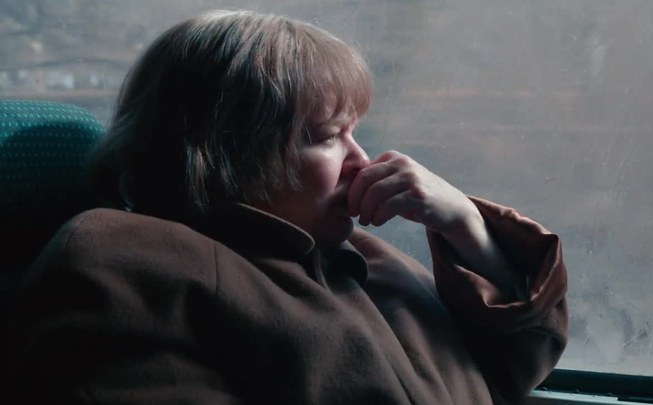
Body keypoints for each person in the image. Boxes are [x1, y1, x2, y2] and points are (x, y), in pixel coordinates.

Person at [1, 9, 568, 405]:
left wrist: (467, 228)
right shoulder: (127, 263)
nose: (361, 160)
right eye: (326, 136)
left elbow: (511, 373)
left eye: (355, 132)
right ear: (226, 152)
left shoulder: (362, 258)